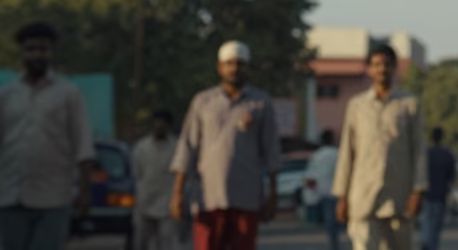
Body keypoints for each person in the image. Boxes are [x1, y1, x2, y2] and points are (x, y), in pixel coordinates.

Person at [170, 41, 281, 250]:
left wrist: (273, 195)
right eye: (229, 63)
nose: (234, 69)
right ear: (220, 67)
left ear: (247, 67)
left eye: (239, 64)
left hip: (246, 197)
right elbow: (188, 147)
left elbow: (271, 150)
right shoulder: (203, 102)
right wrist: (177, 192)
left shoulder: (261, 103)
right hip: (208, 198)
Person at [0, 22, 94, 250]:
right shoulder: (6, 95)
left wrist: (84, 192)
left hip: (53, 198)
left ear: (51, 53)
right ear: (22, 54)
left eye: (43, 49)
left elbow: (83, 146)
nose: (36, 55)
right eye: (31, 49)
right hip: (10, 195)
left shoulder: (68, 94)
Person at [333, 44, 426, 250]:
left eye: (387, 64)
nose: (381, 69)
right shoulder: (357, 105)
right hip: (362, 196)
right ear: (368, 69)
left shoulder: (409, 104)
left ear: (394, 68)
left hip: (398, 197)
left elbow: (418, 150)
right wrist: (342, 196)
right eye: (376, 64)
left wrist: (418, 191)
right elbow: (347, 152)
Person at [132, 109, 179, 250]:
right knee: (141, 243)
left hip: (166, 205)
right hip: (144, 203)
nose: (159, 126)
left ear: (168, 125)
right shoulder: (142, 147)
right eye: (157, 123)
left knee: (165, 243)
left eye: (163, 123)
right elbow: (137, 173)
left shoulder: (176, 147)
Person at [304, 130, 341, 250]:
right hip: (337, 190)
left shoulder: (317, 155)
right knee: (333, 219)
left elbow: (311, 175)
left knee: (329, 219)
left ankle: (332, 241)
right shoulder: (337, 153)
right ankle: (333, 242)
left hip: (323, 191)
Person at [422, 127, 457, 250]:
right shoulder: (447, 155)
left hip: (426, 194)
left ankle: (426, 242)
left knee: (426, 222)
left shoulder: (427, 154)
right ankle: (432, 246)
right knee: (436, 225)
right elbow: (452, 175)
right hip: (440, 194)